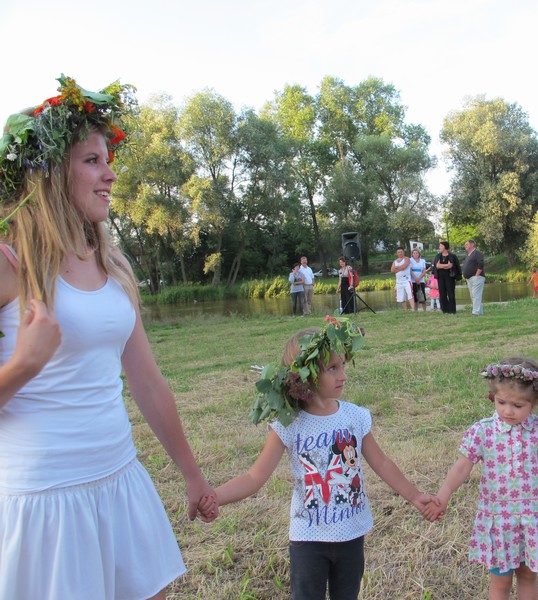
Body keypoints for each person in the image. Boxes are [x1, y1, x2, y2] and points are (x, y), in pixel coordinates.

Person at [0, 75, 217, 600]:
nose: (111, 174)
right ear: (52, 172)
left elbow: (147, 382)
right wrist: (23, 364)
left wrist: (192, 475)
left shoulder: (111, 261)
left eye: (108, 159)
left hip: (119, 479)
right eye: (92, 160)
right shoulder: (9, 263)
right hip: (46, 499)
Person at [201, 317, 437, 600]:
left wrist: (414, 496)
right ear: (307, 375)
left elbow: (382, 463)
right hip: (308, 539)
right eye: (333, 368)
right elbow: (254, 476)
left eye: (343, 366)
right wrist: (215, 497)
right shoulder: (289, 424)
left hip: (351, 533)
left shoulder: (354, 416)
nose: (343, 375)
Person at [423, 358, 538, 600]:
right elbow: (461, 468)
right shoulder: (483, 431)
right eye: (501, 402)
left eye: (517, 405)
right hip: (500, 523)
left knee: (527, 578)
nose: (507, 411)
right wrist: (443, 495)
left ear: (535, 402)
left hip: (532, 521)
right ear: (493, 397)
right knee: (500, 582)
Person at [434, 241, 460, 314]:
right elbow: (437, 266)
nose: (439, 247)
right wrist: (446, 266)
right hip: (440, 277)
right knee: (442, 294)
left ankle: (452, 310)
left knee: (451, 294)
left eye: (441, 246)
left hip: (450, 277)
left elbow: (452, 266)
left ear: (445, 247)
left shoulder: (452, 256)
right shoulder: (438, 256)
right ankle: (445, 310)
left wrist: (441, 266)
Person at [463, 239, 485, 316]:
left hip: (477, 278)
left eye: (467, 244)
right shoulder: (469, 255)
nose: (465, 246)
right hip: (469, 278)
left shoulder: (477, 253)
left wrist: (477, 275)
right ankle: (480, 312)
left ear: (472, 245)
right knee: (473, 296)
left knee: (476, 295)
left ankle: (475, 312)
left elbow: (481, 263)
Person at [391, 247, 415, 311]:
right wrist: (399, 268)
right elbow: (392, 270)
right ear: (396, 253)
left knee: (410, 294)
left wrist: (397, 268)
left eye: (401, 252)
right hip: (399, 281)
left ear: (403, 252)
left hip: (407, 280)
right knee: (401, 296)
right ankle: (405, 310)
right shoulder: (395, 261)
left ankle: (413, 309)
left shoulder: (406, 259)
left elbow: (404, 267)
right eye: (398, 252)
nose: (400, 253)